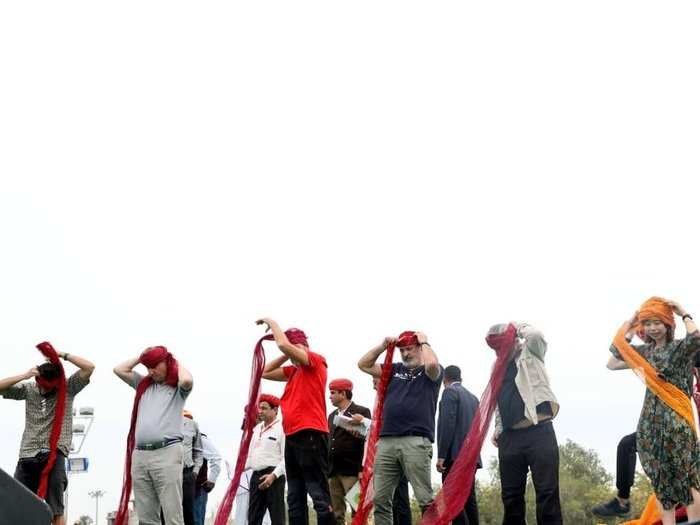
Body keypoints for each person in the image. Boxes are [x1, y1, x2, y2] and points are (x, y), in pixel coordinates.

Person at [607, 298, 700, 524]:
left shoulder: (680, 348)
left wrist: (683, 313)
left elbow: (696, 338)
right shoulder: (645, 352)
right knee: (660, 477)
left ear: (668, 323)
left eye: (657, 322)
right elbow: (614, 358)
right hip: (650, 420)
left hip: (677, 417)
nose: (652, 328)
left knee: (686, 473)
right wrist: (630, 324)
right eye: (647, 323)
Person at [0, 343, 94, 525]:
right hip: (28, 455)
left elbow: (89, 367)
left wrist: (61, 354)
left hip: (54, 454)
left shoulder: (67, 388)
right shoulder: (30, 389)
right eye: (42, 387)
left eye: (49, 388)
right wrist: (25, 375)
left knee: (55, 509)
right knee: (17, 504)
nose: (45, 391)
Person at [357, 330, 442, 525]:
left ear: (419, 348)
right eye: (402, 350)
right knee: (380, 499)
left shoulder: (431, 373)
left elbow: (432, 364)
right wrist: (382, 346)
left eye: (409, 349)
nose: (405, 354)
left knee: (425, 498)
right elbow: (363, 364)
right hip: (387, 441)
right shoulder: (394, 369)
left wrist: (425, 342)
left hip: (415, 440)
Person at [259, 318, 333, 525]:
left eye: (295, 349)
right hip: (292, 436)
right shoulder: (294, 371)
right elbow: (264, 372)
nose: (292, 355)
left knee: (317, 492)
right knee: (294, 496)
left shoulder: (315, 361)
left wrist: (272, 324)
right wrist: (286, 353)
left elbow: (283, 343)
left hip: (311, 433)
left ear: (304, 347)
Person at [488, 323, 562, 525]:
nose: (500, 352)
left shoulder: (532, 353)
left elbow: (536, 333)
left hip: (539, 432)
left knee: (547, 492)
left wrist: (517, 327)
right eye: (496, 349)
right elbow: (498, 399)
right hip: (510, 437)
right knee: (511, 497)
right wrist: (498, 427)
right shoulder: (497, 366)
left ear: (514, 340)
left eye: (502, 346)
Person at [113, 346, 194, 525]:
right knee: (146, 516)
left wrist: (173, 360)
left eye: (155, 365)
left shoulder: (177, 388)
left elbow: (187, 380)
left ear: (167, 363)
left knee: (172, 513)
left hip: (167, 452)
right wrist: (143, 357)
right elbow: (119, 369)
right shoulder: (143, 384)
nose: (150, 371)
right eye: (147, 366)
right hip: (140, 454)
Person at [436, 365, 480, 525]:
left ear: (444, 379)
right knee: (469, 498)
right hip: (472, 456)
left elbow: (448, 424)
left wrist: (441, 455)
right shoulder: (474, 398)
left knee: (451, 498)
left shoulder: (449, 392)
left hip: (454, 456)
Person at [327, 378, 371, 525]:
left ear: (343, 393)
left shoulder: (362, 412)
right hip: (333, 472)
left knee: (358, 510)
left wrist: (361, 469)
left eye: (333, 393)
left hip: (352, 471)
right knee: (336, 513)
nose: (330, 396)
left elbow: (366, 442)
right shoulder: (332, 415)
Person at [246, 393, 286, 525]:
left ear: (275, 410)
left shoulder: (282, 428)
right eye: (259, 408)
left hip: (273, 476)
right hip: (256, 476)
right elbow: (251, 455)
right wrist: (238, 470)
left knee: (277, 517)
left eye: (264, 408)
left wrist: (273, 476)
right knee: (253, 518)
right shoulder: (257, 429)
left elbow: (286, 458)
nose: (260, 411)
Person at [178, 410, 203, 525]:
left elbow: (198, 451)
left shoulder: (192, 424)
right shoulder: (162, 423)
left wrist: (195, 471)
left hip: (187, 474)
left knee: (188, 512)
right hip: (166, 474)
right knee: (165, 512)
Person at [193, 431, 222, 525]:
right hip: (179, 489)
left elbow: (216, 457)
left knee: (196, 520)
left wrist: (211, 480)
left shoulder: (199, 438)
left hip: (198, 488)